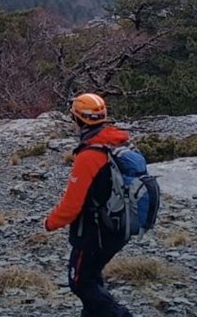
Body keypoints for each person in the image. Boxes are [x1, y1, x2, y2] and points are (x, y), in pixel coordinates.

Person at [43, 93, 135, 317]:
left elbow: (72, 206)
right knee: (92, 275)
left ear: (78, 119)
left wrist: (50, 223)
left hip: (96, 232)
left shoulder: (89, 155)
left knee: (80, 282)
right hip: (120, 225)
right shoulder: (118, 142)